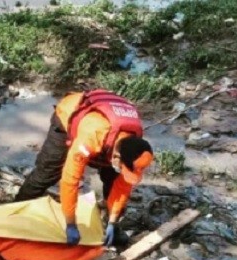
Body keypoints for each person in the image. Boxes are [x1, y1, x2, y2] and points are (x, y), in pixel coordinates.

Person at [15, 90, 154, 247]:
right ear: (115, 157)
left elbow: (123, 187)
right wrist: (71, 224)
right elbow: (70, 180)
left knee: (112, 179)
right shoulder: (92, 135)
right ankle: (15, 209)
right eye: (123, 167)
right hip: (69, 116)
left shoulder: (134, 149)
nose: (125, 172)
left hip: (109, 135)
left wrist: (113, 221)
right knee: (48, 172)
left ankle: (112, 227)